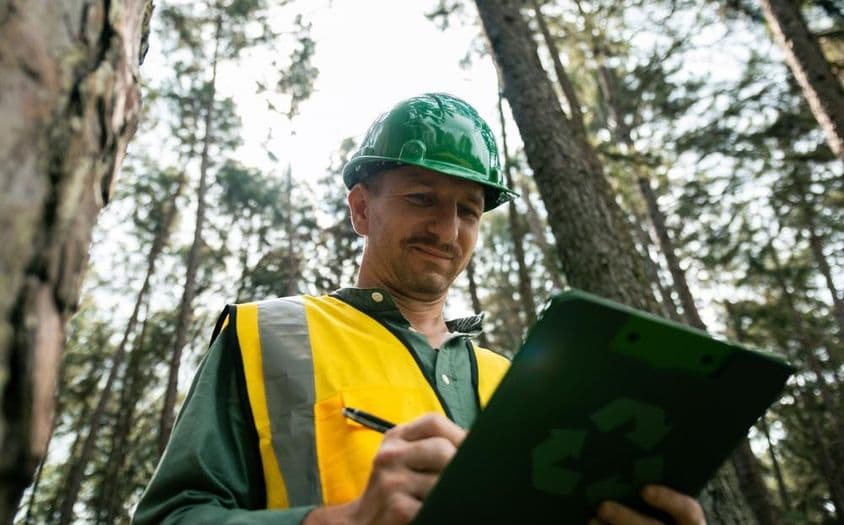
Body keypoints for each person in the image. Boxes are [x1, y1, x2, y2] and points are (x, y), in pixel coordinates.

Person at [133, 93, 706, 525]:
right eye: (421, 198)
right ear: (361, 210)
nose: (446, 229)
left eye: (468, 210)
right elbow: (170, 518)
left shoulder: (517, 382)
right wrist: (345, 522)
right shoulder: (270, 334)